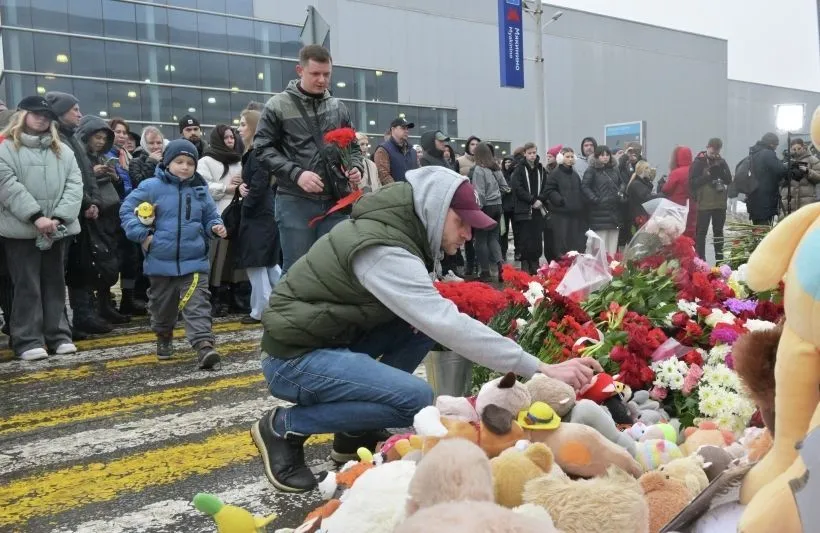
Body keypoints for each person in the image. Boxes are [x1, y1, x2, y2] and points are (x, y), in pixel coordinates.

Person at [250, 166, 603, 492]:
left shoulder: (401, 232)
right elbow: (448, 323)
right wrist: (540, 367)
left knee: (418, 328)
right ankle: (283, 427)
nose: (467, 234)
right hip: (294, 360)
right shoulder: (385, 248)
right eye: (461, 222)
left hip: (327, 338)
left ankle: (352, 429)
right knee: (415, 400)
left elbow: (432, 320)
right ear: (435, 209)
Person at [253, 45, 363, 273]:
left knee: (336, 269)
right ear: (299, 70)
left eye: (327, 74)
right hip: (295, 200)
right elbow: (262, 149)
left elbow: (353, 146)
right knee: (297, 271)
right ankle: (289, 309)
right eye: (315, 74)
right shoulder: (277, 106)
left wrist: (355, 166)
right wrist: (297, 173)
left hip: (336, 201)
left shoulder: (338, 107)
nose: (322, 80)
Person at [120, 139, 227, 369]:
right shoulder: (151, 187)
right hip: (160, 261)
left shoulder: (200, 190)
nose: (185, 167)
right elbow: (127, 210)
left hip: (195, 261)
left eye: (190, 162)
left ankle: (204, 346)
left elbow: (210, 216)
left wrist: (215, 227)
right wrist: (144, 236)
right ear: (167, 163)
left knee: (198, 304)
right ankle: (164, 334)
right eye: (179, 161)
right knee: (162, 306)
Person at [0, 96, 83, 361]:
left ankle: (58, 335)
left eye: (46, 115)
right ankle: (27, 339)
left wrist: (58, 218)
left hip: (57, 229)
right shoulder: (5, 148)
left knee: (55, 283)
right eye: (36, 114)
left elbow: (74, 185)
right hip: (21, 230)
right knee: (26, 284)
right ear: (22, 114)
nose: (42, 119)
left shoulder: (63, 150)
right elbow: (7, 186)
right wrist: (36, 217)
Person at [236, 109, 281, 325]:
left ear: (254, 127)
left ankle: (261, 310)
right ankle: (286, 302)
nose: (239, 128)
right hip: (264, 212)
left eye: (244, 124)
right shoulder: (258, 153)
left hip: (258, 215)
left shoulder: (256, 154)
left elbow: (260, 182)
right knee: (268, 264)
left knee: (257, 264)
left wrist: (247, 202)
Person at [199, 124, 245, 317]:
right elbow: (202, 187)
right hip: (217, 214)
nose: (230, 141)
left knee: (233, 257)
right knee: (217, 258)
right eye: (226, 138)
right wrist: (227, 188)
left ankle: (234, 295)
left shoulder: (239, 160)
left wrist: (242, 185)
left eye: (232, 138)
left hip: (237, 214)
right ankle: (215, 297)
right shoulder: (206, 161)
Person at [689, 138, 732, 260]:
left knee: (718, 232)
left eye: (716, 153)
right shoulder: (699, 162)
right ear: (707, 147)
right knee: (701, 233)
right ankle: (701, 261)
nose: (714, 155)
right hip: (704, 204)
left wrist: (721, 171)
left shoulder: (721, 161)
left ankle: (720, 259)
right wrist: (708, 176)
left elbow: (729, 180)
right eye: (712, 153)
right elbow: (692, 183)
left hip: (719, 203)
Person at [470, 142, 507, 282]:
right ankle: (500, 266)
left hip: (486, 207)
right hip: (498, 206)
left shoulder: (479, 170)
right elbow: (505, 187)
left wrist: (477, 210)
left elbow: (479, 193)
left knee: (481, 240)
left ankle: (485, 272)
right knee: (493, 238)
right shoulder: (496, 168)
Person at [510, 143, 548, 274]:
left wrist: (540, 199)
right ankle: (525, 266)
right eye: (529, 153)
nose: (532, 155)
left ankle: (535, 263)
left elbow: (545, 186)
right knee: (524, 239)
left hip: (538, 210)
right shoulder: (519, 169)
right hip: (524, 210)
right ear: (525, 153)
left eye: (534, 152)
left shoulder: (541, 169)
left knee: (537, 238)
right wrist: (532, 200)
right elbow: (517, 188)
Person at [581, 145, 623, 255]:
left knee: (612, 245)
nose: (605, 157)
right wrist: (595, 199)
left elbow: (621, 183)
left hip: (614, 211)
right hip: (599, 212)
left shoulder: (614, 169)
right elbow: (585, 186)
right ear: (597, 156)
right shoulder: (591, 170)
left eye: (607, 155)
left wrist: (620, 193)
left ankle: (612, 268)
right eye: (602, 155)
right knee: (600, 245)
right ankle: (599, 269)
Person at [544, 147, 586, 255]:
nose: (570, 159)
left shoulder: (575, 174)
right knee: (561, 242)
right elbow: (549, 190)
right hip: (560, 213)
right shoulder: (555, 173)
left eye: (572, 156)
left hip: (575, 213)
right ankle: (561, 265)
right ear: (561, 158)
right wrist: (560, 201)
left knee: (574, 241)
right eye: (567, 156)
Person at [746, 132, 787, 225]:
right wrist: (788, 166)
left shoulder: (754, 154)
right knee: (764, 233)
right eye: (776, 145)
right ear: (771, 144)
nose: (776, 148)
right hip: (765, 202)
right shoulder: (767, 153)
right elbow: (780, 170)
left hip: (754, 200)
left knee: (757, 231)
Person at [662, 146, 696, 239]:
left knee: (679, 232)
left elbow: (667, 189)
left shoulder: (676, 173)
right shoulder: (695, 170)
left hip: (678, 207)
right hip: (693, 205)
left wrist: (662, 184)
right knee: (692, 230)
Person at [780, 137, 820, 214]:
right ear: (790, 149)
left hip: (806, 199)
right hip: (789, 199)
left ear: (804, 147)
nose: (797, 151)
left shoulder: (812, 160)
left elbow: (818, 178)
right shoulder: (786, 161)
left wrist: (808, 171)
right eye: (794, 149)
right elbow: (779, 180)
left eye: (799, 148)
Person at [373, 117, 418, 184]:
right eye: (403, 128)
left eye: (407, 128)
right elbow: (383, 176)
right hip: (393, 193)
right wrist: (399, 190)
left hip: (412, 192)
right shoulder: (383, 150)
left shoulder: (413, 151)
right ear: (393, 129)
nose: (406, 131)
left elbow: (418, 173)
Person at [626, 160, 661, 230]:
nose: (649, 170)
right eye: (647, 168)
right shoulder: (637, 184)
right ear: (642, 169)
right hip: (639, 216)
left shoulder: (641, 183)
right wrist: (661, 195)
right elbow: (647, 198)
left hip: (642, 215)